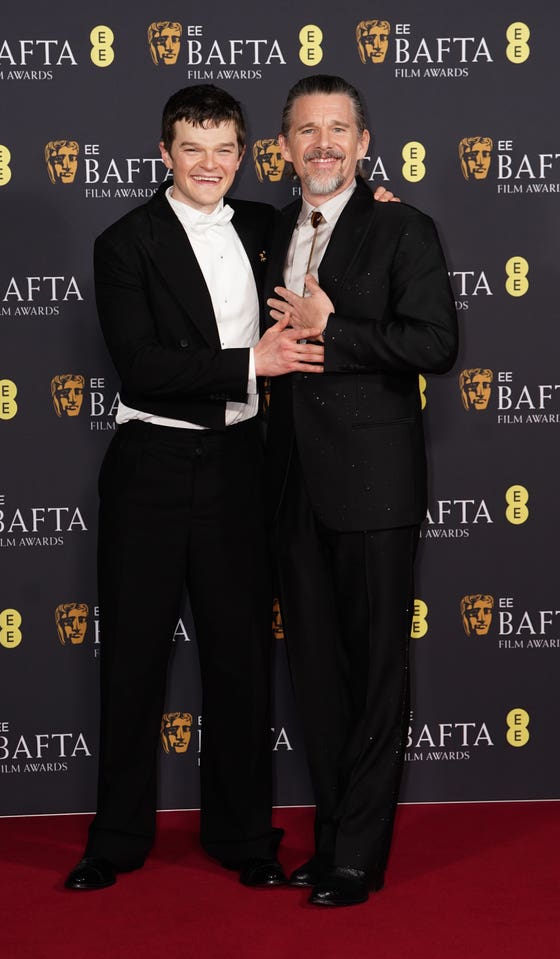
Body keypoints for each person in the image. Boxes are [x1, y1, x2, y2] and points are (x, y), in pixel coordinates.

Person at [64, 84, 327, 893]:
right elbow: (141, 365)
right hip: (151, 466)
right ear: (165, 155)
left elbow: (334, 222)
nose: (209, 165)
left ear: (243, 154)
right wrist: (256, 364)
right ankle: (113, 840)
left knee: (241, 659)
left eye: (223, 149)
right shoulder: (124, 242)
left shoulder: (261, 225)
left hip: (240, 468)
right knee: (134, 659)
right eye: (192, 148)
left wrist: (381, 201)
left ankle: (246, 837)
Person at [265, 75, 458, 907]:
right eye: (307, 132)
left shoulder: (404, 227)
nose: (324, 145)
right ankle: (336, 830)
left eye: (338, 129)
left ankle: (359, 855)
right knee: (316, 670)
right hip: (289, 486)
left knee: (378, 668)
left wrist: (330, 330)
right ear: (283, 150)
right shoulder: (268, 228)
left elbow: (436, 343)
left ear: (365, 141)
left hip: (375, 485)